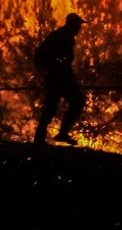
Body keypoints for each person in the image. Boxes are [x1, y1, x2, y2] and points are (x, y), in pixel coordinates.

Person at [32, 12, 87, 145]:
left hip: (56, 77)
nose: (79, 28)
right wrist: (54, 71)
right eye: (78, 25)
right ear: (72, 25)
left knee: (51, 107)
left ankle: (39, 138)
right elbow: (58, 60)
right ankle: (62, 133)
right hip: (59, 77)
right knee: (78, 101)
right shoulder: (63, 37)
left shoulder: (61, 35)